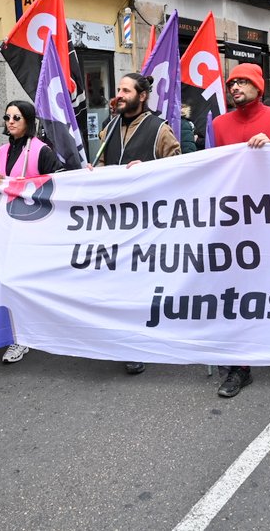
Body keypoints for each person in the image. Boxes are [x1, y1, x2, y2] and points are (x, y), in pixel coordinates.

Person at [210, 63, 270, 398]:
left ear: (259, 87)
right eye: (231, 83)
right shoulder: (219, 124)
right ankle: (239, 365)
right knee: (236, 290)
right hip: (233, 220)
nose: (235, 87)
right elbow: (209, 168)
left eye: (242, 82)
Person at [97, 73, 181, 373]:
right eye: (117, 89)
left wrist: (149, 169)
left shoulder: (160, 129)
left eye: (125, 90)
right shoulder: (108, 127)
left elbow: (178, 168)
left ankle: (138, 344)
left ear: (142, 95)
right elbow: (104, 162)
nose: (119, 94)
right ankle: (125, 338)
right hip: (116, 220)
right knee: (119, 283)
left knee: (142, 284)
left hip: (148, 222)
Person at [0, 100, 61, 363]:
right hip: (8, 228)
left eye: (17, 117)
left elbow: (59, 185)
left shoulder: (42, 151)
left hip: (36, 228)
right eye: (7, 117)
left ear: (28, 120)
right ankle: (19, 338)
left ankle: (41, 328)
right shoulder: (2, 151)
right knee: (11, 281)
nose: (11, 121)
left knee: (36, 282)